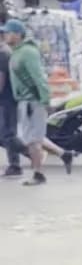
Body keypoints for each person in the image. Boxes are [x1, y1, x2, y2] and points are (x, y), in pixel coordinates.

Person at [1, 19, 72, 185]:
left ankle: (39, 175)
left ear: (18, 34)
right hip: (24, 101)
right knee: (32, 139)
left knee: (33, 141)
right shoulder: (15, 51)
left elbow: (39, 78)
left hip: (33, 101)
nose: (5, 35)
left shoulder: (27, 52)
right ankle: (63, 154)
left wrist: (45, 101)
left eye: (8, 32)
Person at [0, 37, 20, 176]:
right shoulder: (6, 51)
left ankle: (15, 165)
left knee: (8, 133)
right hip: (8, 99)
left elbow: (0, 81)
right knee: (5, 133)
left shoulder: (3, 54)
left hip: (6, 100)